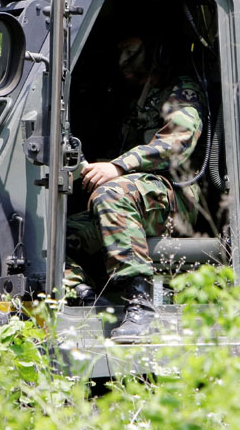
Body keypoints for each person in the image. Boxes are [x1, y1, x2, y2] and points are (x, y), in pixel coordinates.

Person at [66, 29, 205, 343]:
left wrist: (116, 167)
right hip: (134, 203)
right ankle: (89, 299)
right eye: (119, 53)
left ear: (156, 50)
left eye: (132, 50)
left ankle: (140, 304)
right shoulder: (130, 103)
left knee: (111, 193)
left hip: (174, 198)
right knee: (52, 236)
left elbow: (176, 143)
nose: (122, 61)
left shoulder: (181, 90)